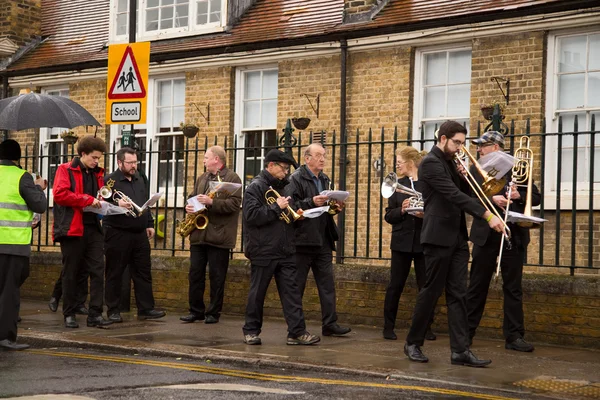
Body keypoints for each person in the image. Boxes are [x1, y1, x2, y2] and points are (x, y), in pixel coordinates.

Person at [403, 120, 504, 367]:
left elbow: (467, 192)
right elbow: (452, 195)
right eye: (456, 142)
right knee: (431, 292)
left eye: (461, 143)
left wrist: (470, 178)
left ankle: (460, 350)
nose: (460, 147)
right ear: (443, 138)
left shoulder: (450, 162)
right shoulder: (430, 164)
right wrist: (487, 215)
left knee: (458, 293)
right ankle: (413, 342)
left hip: (457, 237)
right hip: (437, 237)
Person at [466, 131, 541, 352]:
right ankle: (466, 333)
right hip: (485, 234)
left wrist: (519, 196)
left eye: (483, 146)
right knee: (477, 286)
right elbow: (467, 199)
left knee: (513, 288)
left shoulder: (518, 167)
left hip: (513, 234)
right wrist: (491, 199)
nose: (479, 150)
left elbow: (535, 197)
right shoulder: (475, 169)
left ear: (496, 147)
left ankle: (514, 336)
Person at [242, 149, 320, 346]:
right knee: (257, 292)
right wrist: (276, 207)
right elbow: (252, 217)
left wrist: (299, 214)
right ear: (270, 166)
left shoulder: (284, 188)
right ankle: (251, 331)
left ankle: (296, 332)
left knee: (292, 293)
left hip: (285, 249)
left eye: (287, 169)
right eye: (283, 168)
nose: (286, 172)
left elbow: (288, 215)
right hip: (263, 250)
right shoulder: (255, 187)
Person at [284, 143, 350, 337]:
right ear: (307, 158)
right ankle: (295, 330)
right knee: (298, 286)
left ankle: (330, 324)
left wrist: (335, 207)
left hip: (323, 239)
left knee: (327, 284)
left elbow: (324, 209)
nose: (322, 159)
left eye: (324, 155)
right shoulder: (295, 179)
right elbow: (290, 207)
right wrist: (310, 202)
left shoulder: (324, 178)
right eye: (318, 155)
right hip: (302, 241)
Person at [52, 135, 112, 329]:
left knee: (97, 270)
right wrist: (86, 200)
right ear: (82, 154)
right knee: (71, 272)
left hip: (93, 227)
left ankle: (95, 314)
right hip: (72, 228)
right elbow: (60, 194)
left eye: (99, 158)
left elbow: (101, 197)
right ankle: (69, 313)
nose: (97, 161)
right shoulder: (65, 170)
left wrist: (115, 203)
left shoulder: (97, 174)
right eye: (94, 157)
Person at [180, 146, 242, 324]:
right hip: (199, 234)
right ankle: (196, 311)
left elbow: (234, 204)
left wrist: (211, 202)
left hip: (219, 235)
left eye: (206, 157)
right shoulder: (202, 177)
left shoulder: (232, 178)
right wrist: (189, 205)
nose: (204, 160)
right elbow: (192, 196)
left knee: (217, 276)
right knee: (195, 274)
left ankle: (213, 312)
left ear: (216, 159)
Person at [103, 147, 165, 323]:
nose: (133, 166)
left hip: (139, 233)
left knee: (143, 272)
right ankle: (113, 310)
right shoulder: (110, 180)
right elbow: (102, 200)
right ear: (119, 162)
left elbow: (145, 203)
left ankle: (146, 308)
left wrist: (150, 224)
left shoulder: (140, 177)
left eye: (135, 162)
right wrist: (117, 202)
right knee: (115, 272)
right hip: (117, 233)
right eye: (130, 163)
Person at [383, 146, 436, 341]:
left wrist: (425, 214)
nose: (397, 165)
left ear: (411, 163)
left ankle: (426, 328)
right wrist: (402, 211)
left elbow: (436, 211)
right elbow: (389, 215)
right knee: (395, 285)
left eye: (400, 161)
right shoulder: (398, 185)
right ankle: (388, 326)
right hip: (401, 242)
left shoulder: (427, 184)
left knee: (426, 287)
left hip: (424, 241)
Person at [0, 139, 47, 350]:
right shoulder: (22, 177)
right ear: (17, 157)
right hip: (12, 244)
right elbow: (40, 205)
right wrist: (39, 188)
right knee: (9, 292)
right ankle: (5, 337)